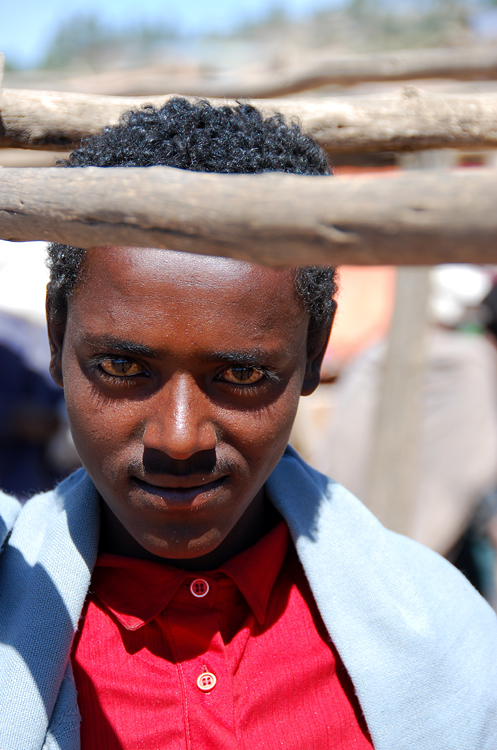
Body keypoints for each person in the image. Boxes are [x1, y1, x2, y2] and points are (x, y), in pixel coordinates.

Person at [0, 99, 495, 750]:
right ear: (59, 336)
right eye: (122, 366)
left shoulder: (444, 638)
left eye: (240, 376)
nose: (178, 439)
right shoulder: (15, 609)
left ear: (313, 353)